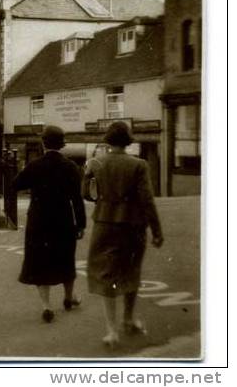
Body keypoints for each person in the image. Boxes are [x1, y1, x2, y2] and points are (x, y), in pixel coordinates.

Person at [83, 121, 164, 348]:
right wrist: (156, 231)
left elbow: (86, 195)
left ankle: (111, 330)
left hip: (104, 224)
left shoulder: (96, 163)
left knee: (106, 274)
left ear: (108, 140)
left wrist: (89, 175)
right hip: (132, 225)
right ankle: (128, 319)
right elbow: (147, 200)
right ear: (128, 141)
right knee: (131, 271)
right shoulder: (139, 165)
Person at [12, 125, 86, 324]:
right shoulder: (71, 167)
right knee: (65, 259)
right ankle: (69, 298)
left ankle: (46, 306)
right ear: (62, 144)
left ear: (43, 143)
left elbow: (16, 185)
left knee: (40, 262)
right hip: (63, 220)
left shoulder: (34, 165)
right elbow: (77, 199)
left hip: (39, 221)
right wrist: (81, 224)